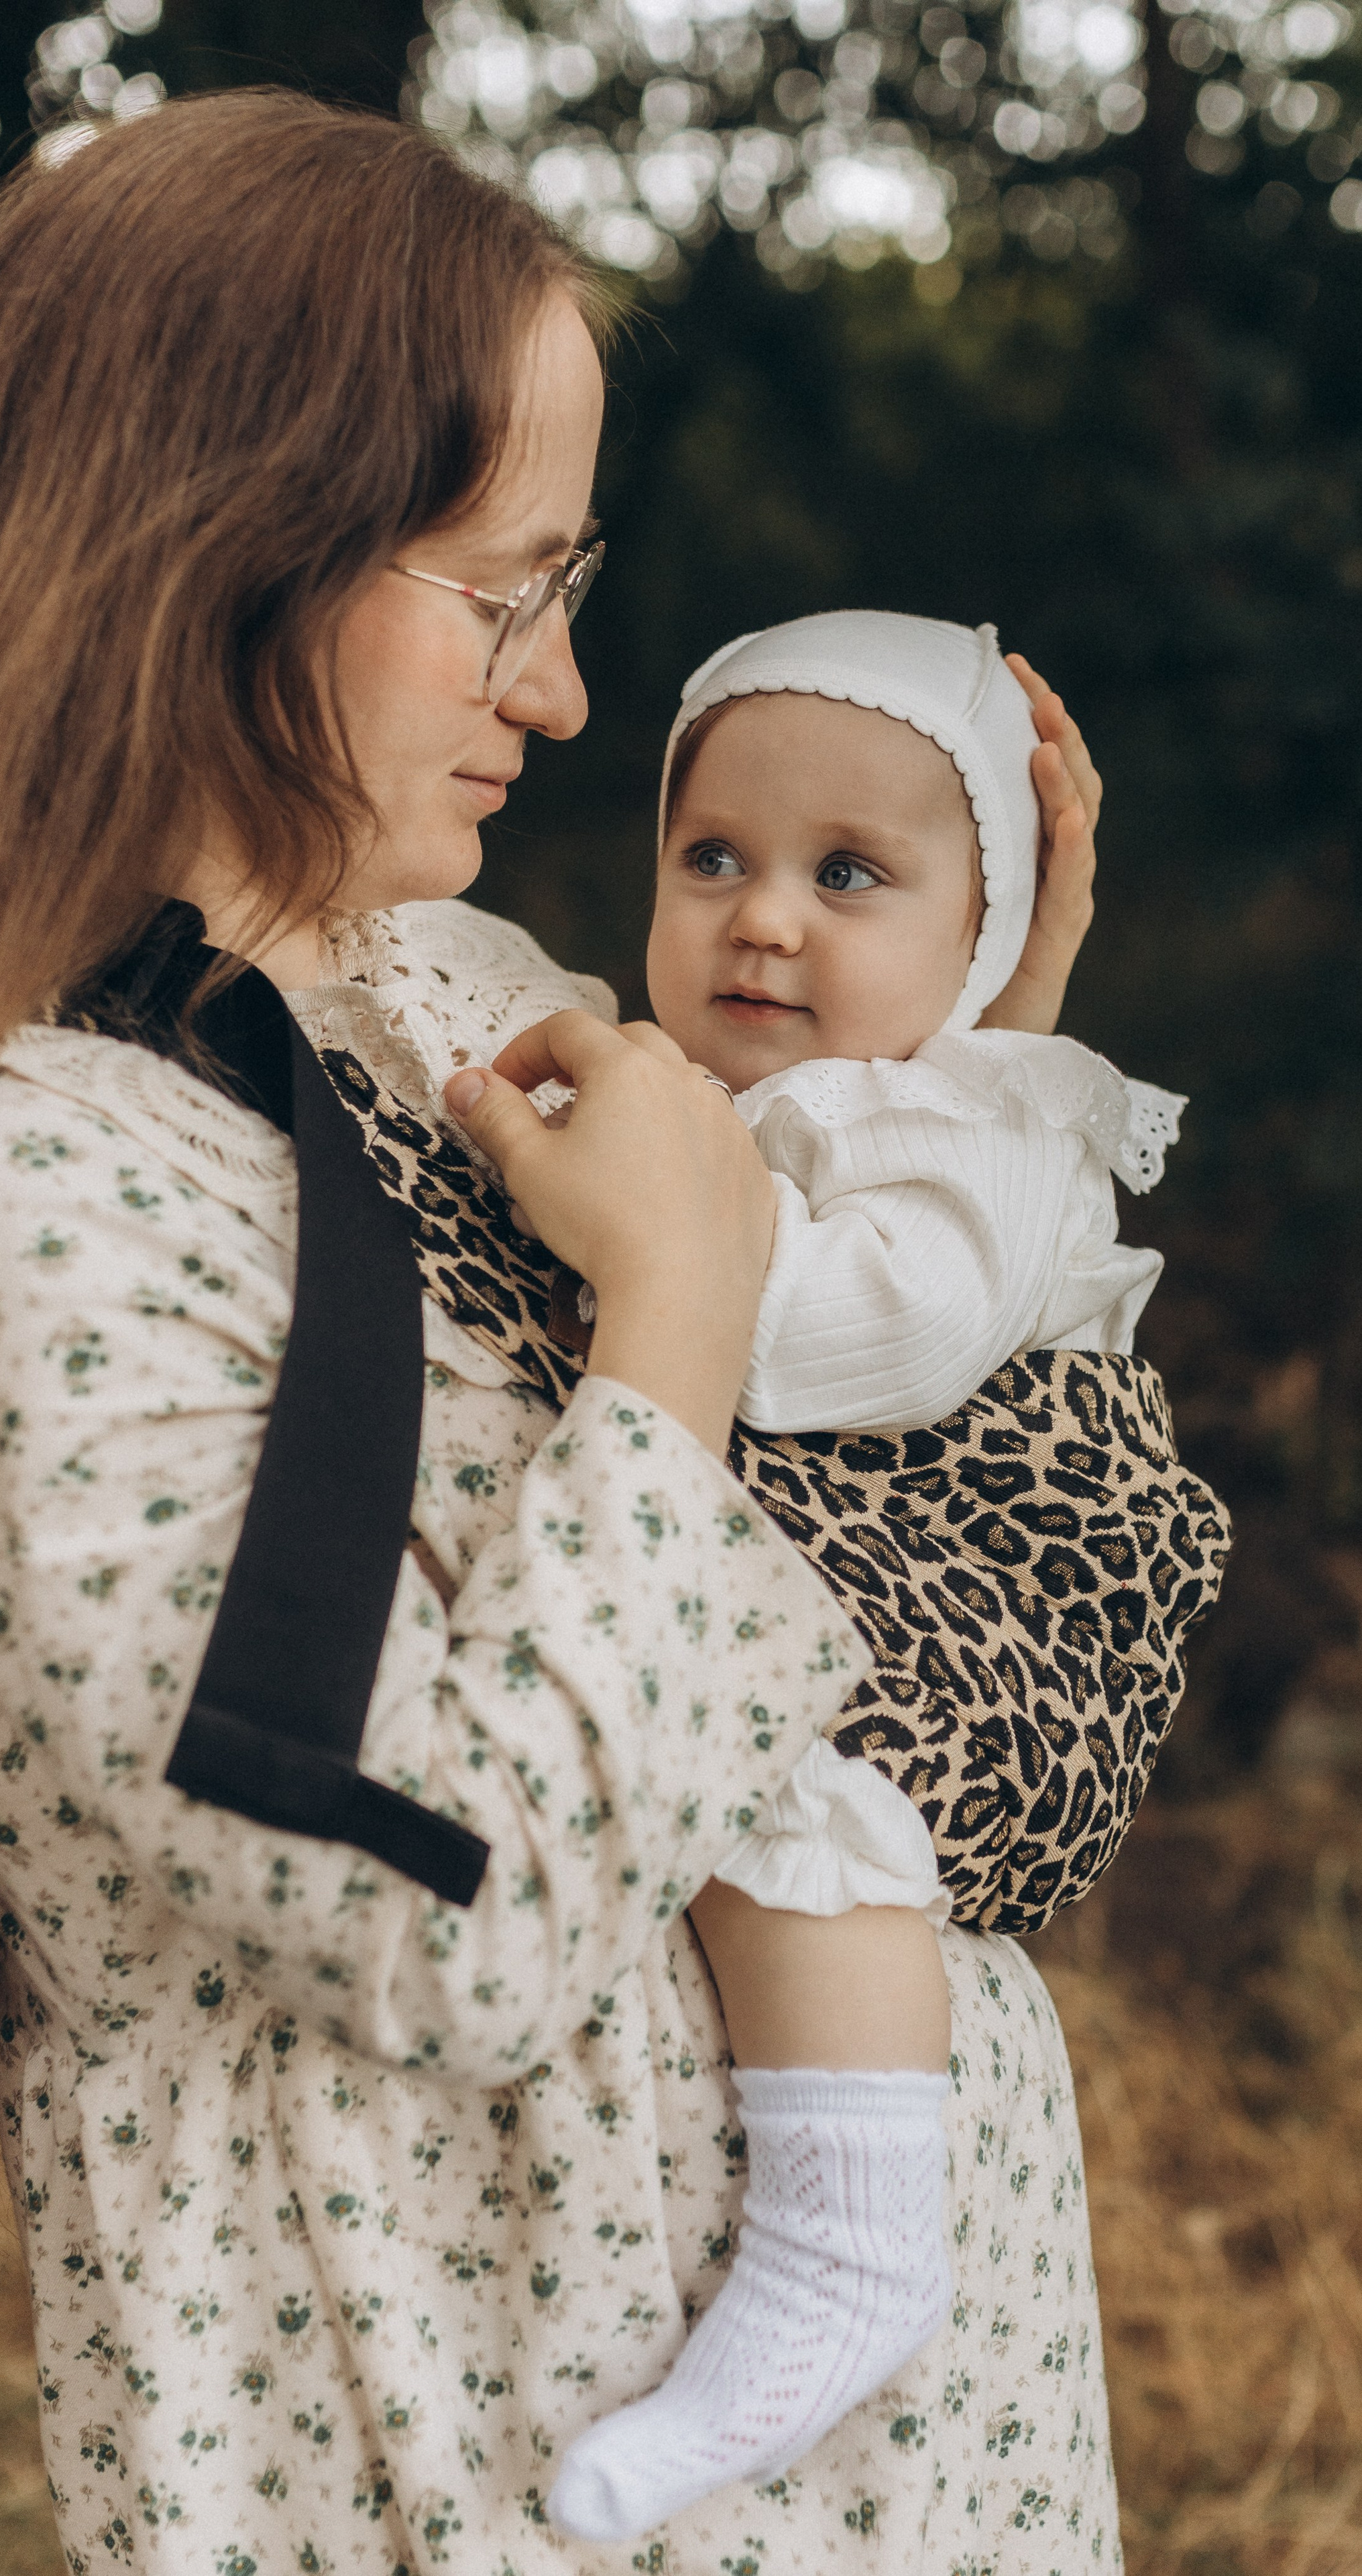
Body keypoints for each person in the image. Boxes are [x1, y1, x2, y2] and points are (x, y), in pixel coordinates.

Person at [0, 91, 1210, 2575]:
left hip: (907, 2472)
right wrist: (678, 1317)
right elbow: (432, 1902)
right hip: (473, 2450)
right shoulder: (22, 1178)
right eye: (501, 594)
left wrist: (976, 1068)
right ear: (213, 554)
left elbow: (981, 1597)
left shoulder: (434, 988)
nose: (570, 695)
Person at [547, 610, 1188, 2543]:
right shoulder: (770, 1092)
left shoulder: (973, 1122)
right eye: (714, 856)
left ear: (976, 943)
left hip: (989, 1605)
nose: (763, 920)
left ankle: (849, 2236)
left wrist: (626, 1242)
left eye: (851, 875)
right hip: (873, 1565)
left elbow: (879, 1342)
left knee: (792, 1776)